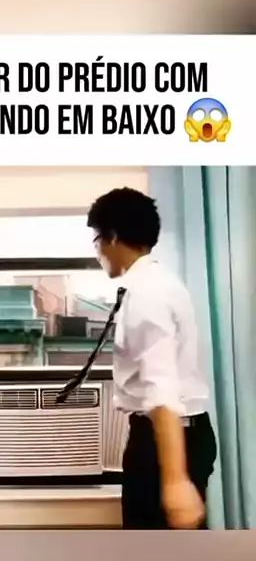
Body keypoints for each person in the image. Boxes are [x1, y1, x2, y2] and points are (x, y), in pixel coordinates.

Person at [86, 187, 217, 529]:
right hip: (180, 434)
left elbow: (161, 389)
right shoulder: (160, 282)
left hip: (164, 441)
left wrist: (174, 480)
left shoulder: (146, 294)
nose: (97, 251)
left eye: (96, 240)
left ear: (113, 237)